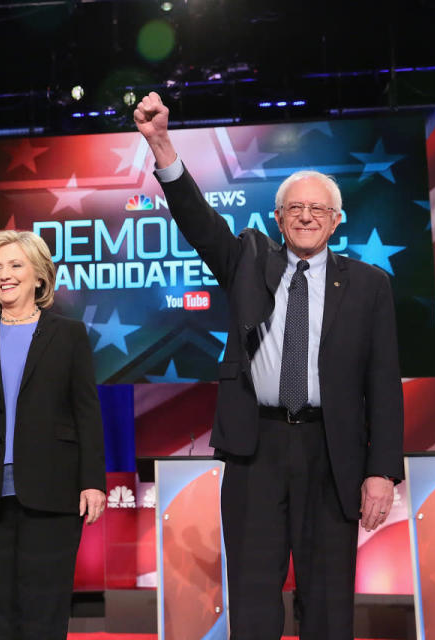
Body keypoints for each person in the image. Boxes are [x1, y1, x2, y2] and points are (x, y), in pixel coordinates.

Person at [134, 93, 404, 639]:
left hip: (333, 454)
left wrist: (381, 471)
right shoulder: (248, 260)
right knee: (254, 599)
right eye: (295, 208)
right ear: (278, 217)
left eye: (318, 209)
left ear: (336, 220)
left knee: (328, 602)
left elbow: (383, 384)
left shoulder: (369, 285)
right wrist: (162, 145)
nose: (307, 216)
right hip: (256, 449)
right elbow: (198, 222)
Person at [0, 230, 107, 640]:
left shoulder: (68, 334)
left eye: (15, 265)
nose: (3, 275)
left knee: (44, 613)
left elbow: (86, 412)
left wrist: (92, 482)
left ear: (39, 277)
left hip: (54, 492)